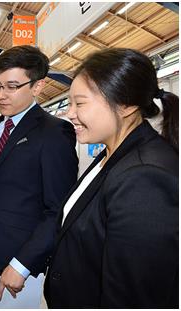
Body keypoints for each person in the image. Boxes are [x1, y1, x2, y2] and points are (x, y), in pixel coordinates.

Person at [44, 48, 179, 308]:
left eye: (79, 103)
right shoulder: (112, 152)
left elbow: (133, 296)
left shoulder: (145, 177)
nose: (70, 113)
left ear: (126, 104)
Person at [0, 45, 78, 300]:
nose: (0, 95)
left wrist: (22, 264)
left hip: (18, 262)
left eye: (12, 86)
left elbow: (58, 209)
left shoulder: (54, 133)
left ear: (37, 87)